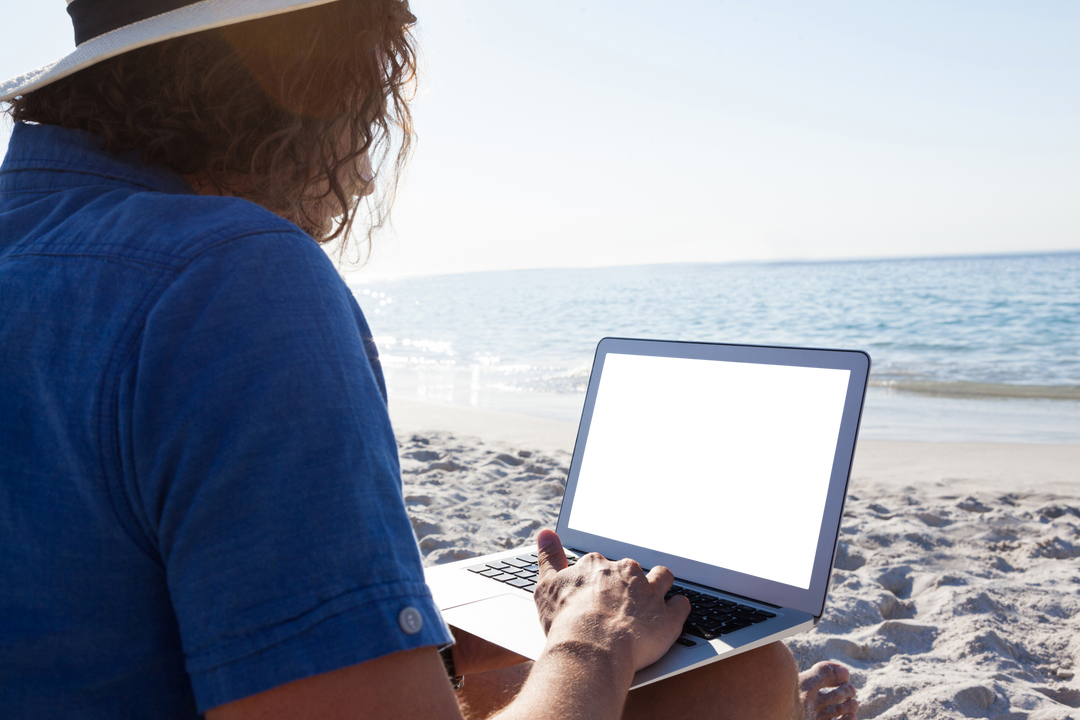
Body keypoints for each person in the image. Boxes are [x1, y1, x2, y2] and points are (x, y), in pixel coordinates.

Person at [0, 2, 859, 718]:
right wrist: (592, 641)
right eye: (374, 95)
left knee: (736, 675)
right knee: (732, 682)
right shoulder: (231, 275)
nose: (365, 176)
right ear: (309, 80)